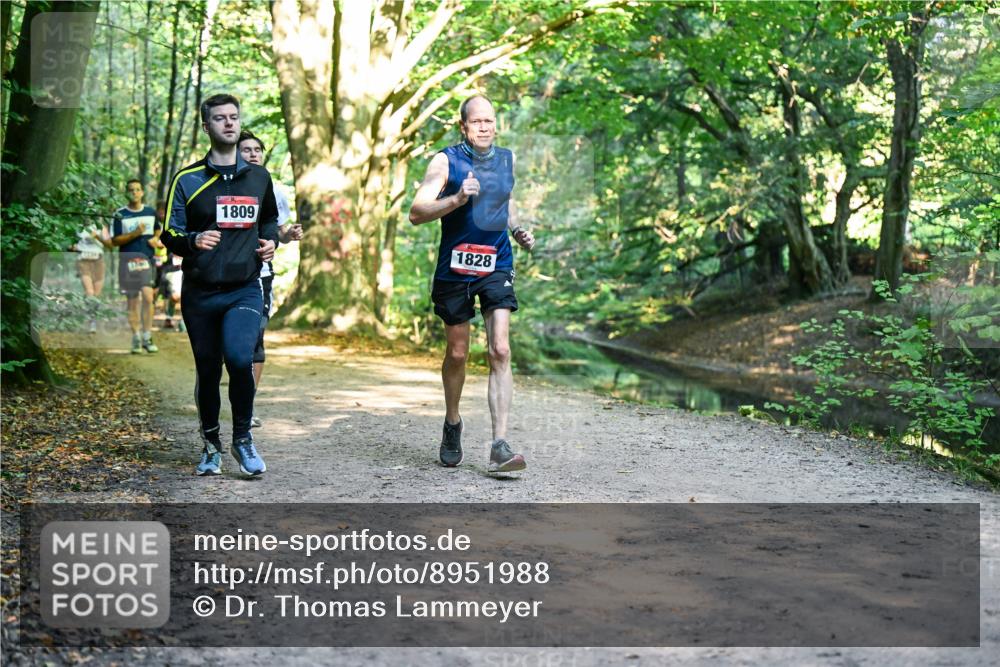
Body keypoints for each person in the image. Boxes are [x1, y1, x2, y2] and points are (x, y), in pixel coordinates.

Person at [408, 94, 535, 473]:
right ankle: (452, 422)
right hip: (455, 267)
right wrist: (458, 198)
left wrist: (518, 229)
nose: (484, 127)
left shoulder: (507, 159)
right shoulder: (445, 161)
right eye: (477, 121)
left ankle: (499, 445)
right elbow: (417, 212)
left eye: (489, 121)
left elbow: (506, 201)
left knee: (500, 349)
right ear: (463, 126)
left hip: (496, 263)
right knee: (458, 353)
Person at [161, 93, 279, 477]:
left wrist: (271, 241)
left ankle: (242, 439)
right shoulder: (188, 179)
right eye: (220, 118)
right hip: (200, 292)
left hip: (244, 287)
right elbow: (169, 232)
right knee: (208, 370)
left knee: (241, 358)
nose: (229, 123)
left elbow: (269, 220)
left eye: (233, 117)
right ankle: (211, 444)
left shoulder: (259, 177)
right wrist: (193, 240)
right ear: (206, 126)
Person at [237, 129, 304, 428]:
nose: (253, 154)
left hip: (261, 275)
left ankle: (246, 407)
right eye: (246, 150)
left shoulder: (273, 190)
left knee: (256, 340)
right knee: (229, 344)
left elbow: (278, 232)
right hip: (225, 276)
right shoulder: (222, 186)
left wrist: (289, 234)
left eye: (257, 150)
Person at [111, 179, 159, 353]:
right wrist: (135, 233)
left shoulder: (150, 212)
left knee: (148, 297)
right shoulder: (120, 214)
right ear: (126, 193)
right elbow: (115, 240)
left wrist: (156, 239)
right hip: (128, 261)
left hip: (146, 260)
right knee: (132, 301)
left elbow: (158, 229)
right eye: (131, 190)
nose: (135, 193)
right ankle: (136, 337)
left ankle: (147, 335)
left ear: (142, 192)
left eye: (138, 189)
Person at [72, 219, 112, 333]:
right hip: (83, 261)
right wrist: (73, 247)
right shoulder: (78, 226)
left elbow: (110, 245)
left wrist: (97, 236)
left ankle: (93, 318)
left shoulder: (101, 227)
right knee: (89, 292)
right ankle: (91, 321)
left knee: (96, 294)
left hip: (98, 261)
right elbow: (72, 245)